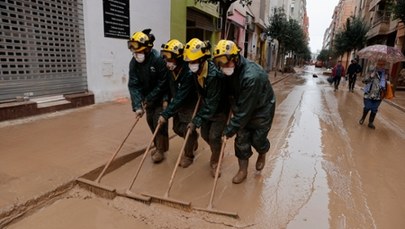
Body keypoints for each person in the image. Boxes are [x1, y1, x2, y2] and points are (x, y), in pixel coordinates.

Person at [213, 40, 276, 184]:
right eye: (220, 64)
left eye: (225, 63)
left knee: (257, 140)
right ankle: (243, 170)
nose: (223, 67)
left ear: (235, 58)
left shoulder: (252, 76)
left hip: (262, 109)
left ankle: (262, 151)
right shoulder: (228, 70)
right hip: (242, 105)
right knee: (241, 139)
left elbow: (244, 112)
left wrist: (228, 131)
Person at [183, 38, 230, 177]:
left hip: (219, 110)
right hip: (207, 108)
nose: (191, 64)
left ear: (203, 60)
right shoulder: (195, 72)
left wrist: (195, 121)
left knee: (214, 136)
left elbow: (212, 104)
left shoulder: (214, 75)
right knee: (204, 135)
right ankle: (218, 150)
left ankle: (215, 161)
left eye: (194, 61)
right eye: (189, 62)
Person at [127, 29, 170, 163]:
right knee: (150, 122)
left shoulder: (157, 60)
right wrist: (137, 105)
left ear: (147, 49)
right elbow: (133, 85)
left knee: (159, 123)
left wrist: (151, 98)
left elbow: (163, 82)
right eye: (134, 51)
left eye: (139, 51)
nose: (136, 54)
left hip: (161, 97)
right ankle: (159, 146)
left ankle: (160, 151)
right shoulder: (133, 63)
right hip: (148, 99)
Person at [158, 39, 199, 168]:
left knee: (188, 130)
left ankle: (188, 155)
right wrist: (166, 99)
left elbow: (182, 96)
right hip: (176, 103)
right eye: (165, 58)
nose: (167, 61)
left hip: (188, 103)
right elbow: (167, 87)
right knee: (176, 128)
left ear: (179, 57)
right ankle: (193, 140)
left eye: (170, 58)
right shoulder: (170, 70)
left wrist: (166, 114)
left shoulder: (187, 72)